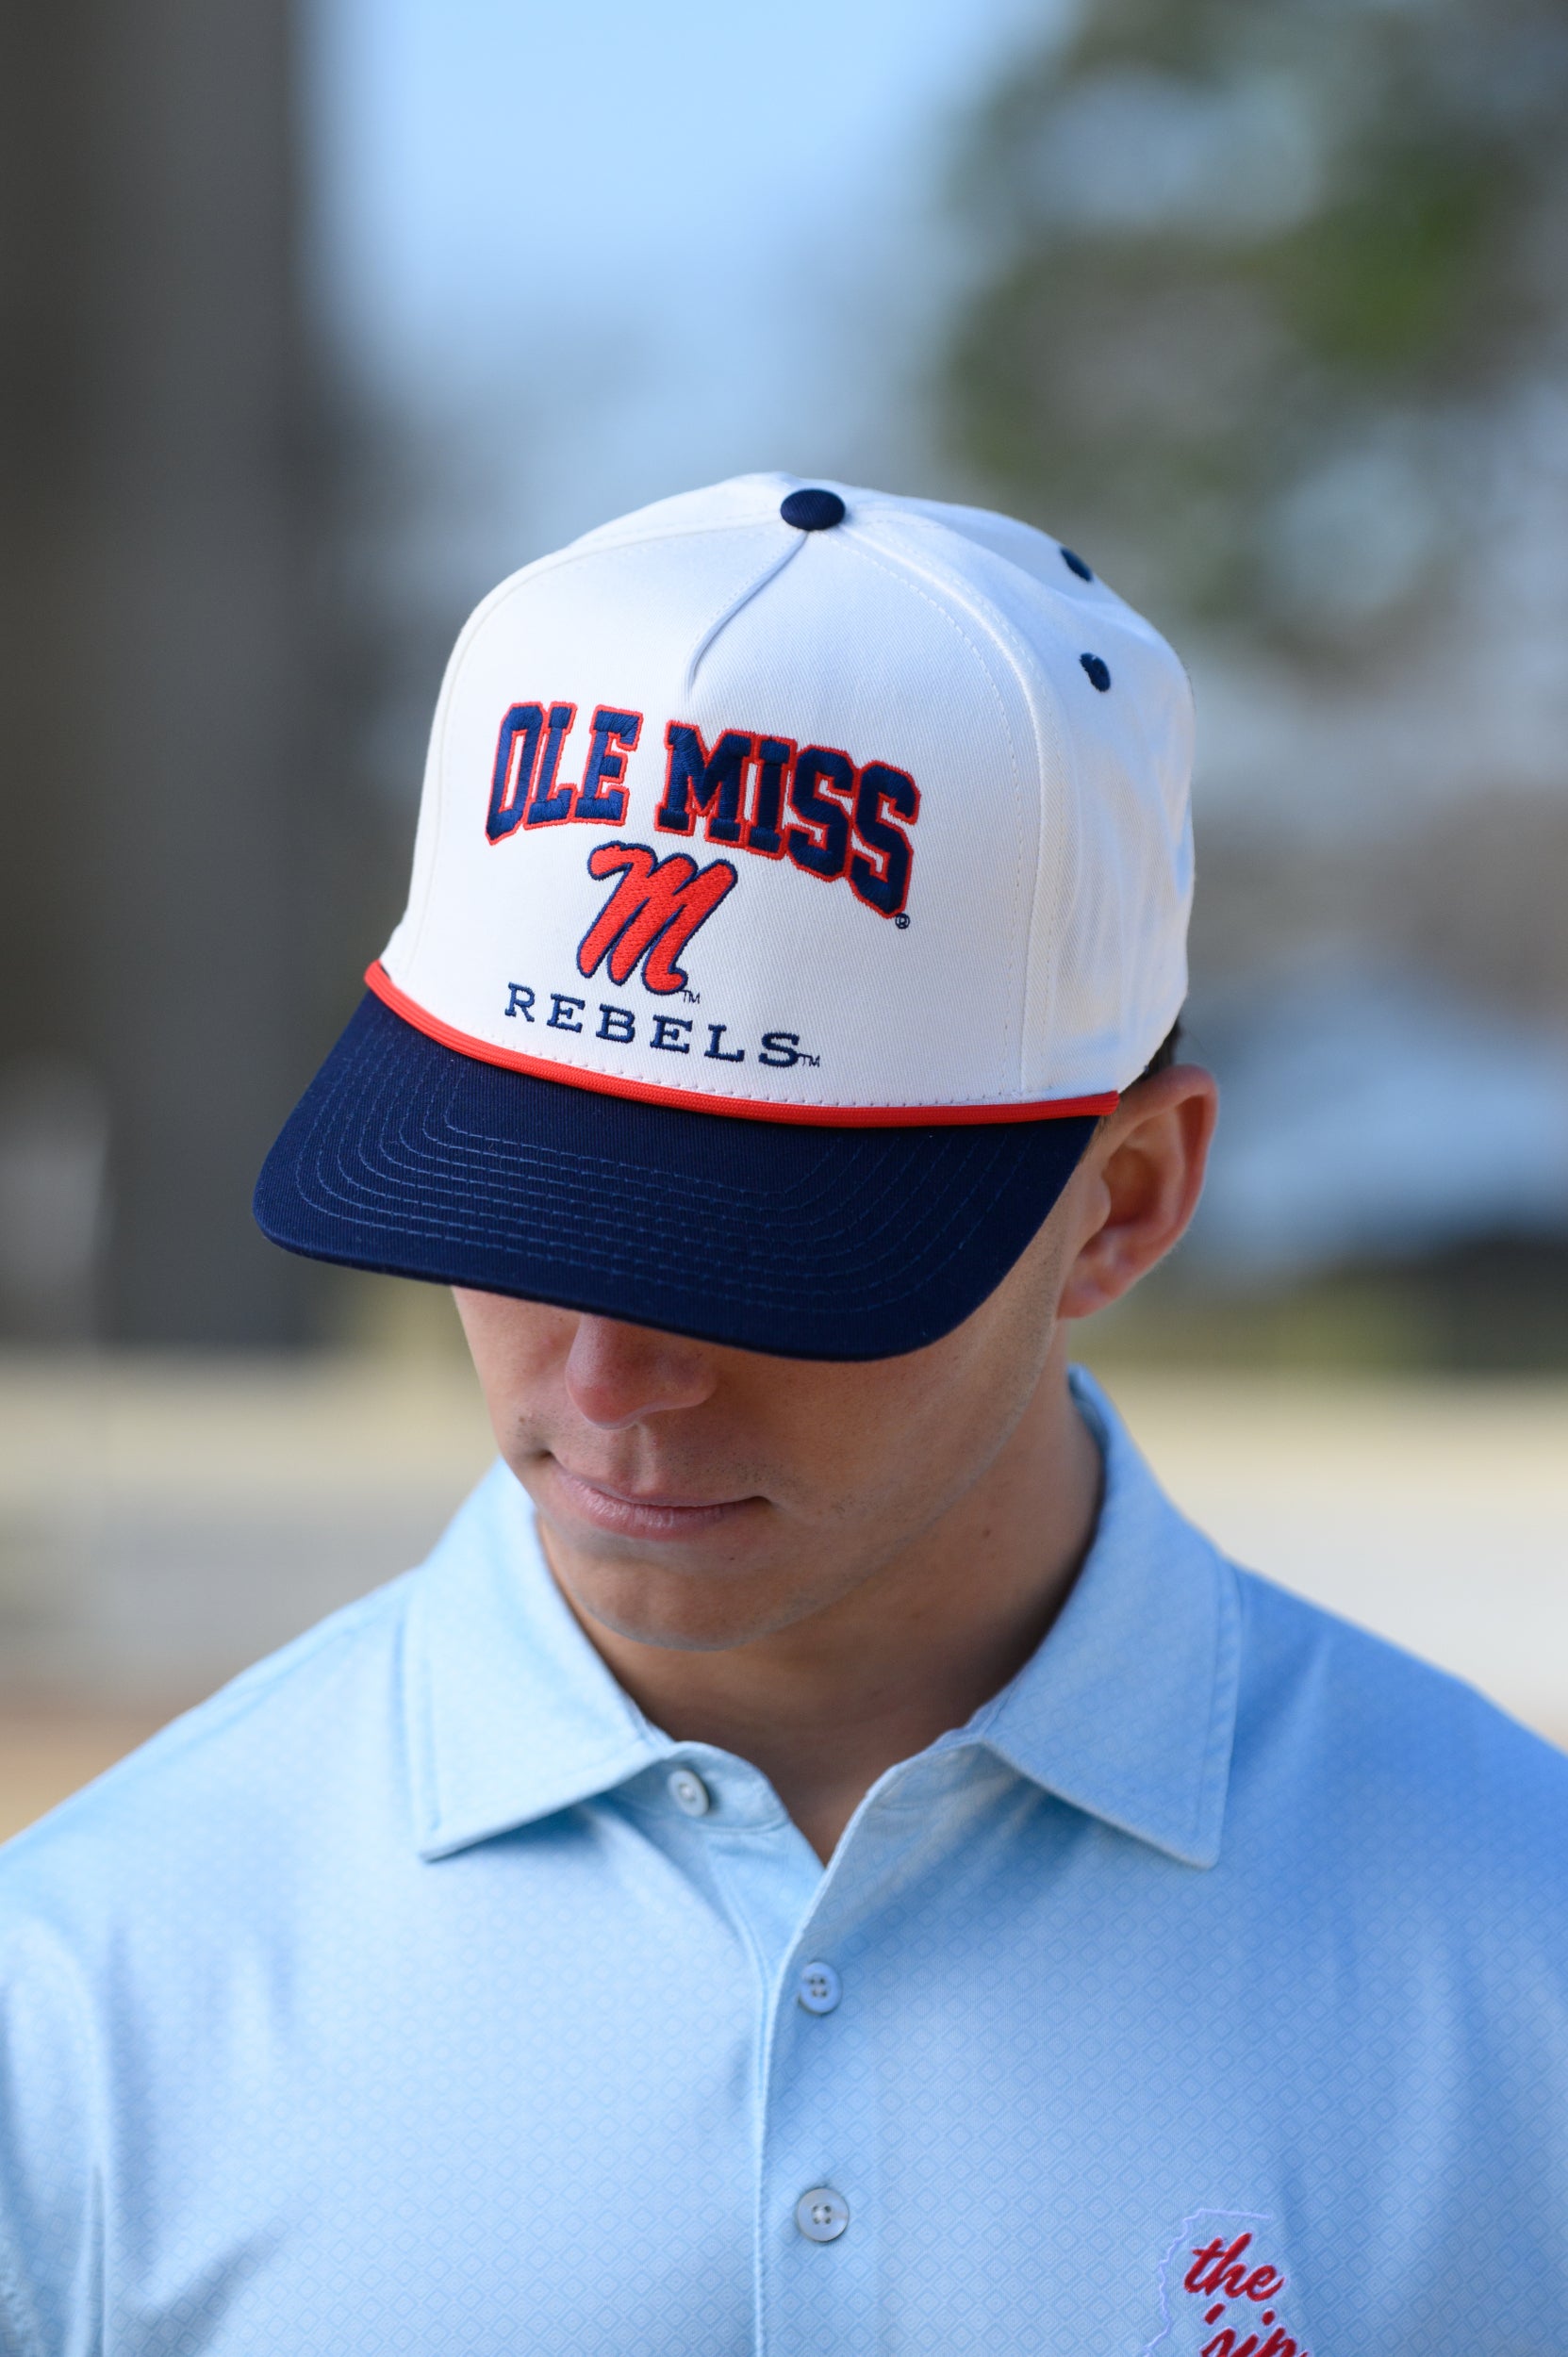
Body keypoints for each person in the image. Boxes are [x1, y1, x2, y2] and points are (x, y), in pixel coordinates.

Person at [1, 476, 1564, 2357]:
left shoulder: (1521, 1960)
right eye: (504, 1211)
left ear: (1125, 1201)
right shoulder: (83, 1998)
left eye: (751, 1256)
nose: (603, 1381)